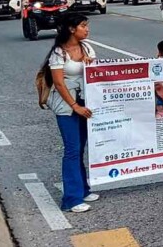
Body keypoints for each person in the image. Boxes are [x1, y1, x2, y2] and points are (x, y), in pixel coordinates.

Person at [46, 13, 99, 213]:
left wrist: (89, 63)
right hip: (66, 105)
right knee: (72, 149)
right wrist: (74, 106)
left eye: (87, 26)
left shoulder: (87, 47)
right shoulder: (59, 53)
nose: (87, 29)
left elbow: (95, 73)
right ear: (71, 29)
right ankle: (71, 199)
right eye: (83, 26)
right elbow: (59, 83)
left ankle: (83, 190)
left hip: (85, 102)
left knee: (81, 147)